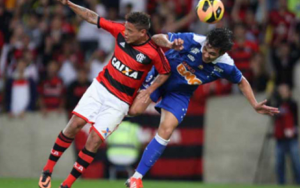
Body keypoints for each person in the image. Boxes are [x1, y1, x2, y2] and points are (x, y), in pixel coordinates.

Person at [38, 0, 173, 187]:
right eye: (125, 29)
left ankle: (66, 185)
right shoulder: (120, 31)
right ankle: (47, 170)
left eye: (130, 31)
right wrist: (69, 3)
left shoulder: (153, 53)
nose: (125, 33)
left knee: (93, 140)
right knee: (74, 125)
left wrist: (150, 90)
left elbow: (166, 72)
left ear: (143, 33)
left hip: (119, 102)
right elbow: (92, 17)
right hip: (100, 88)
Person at [125, 28, 280, 188]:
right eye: (206, 49)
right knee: (134, 111)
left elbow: (242, 81)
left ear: (221, 54)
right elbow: (157, 38)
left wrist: (254, 104)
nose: (206, 55)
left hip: (180, 92)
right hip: (162, 74)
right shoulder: (193, 40)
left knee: (167, 130)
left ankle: (136, 178)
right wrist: (170, 43)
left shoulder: (225, 65)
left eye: (212, 54)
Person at [269, 84, 300, 185]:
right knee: (279, 165)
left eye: (285, 90)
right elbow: (269, 106)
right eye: (281, 90)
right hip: (280, 139)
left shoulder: (292, 103)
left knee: (296, 164)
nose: (283, 92)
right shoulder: (276, 104)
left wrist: (285, 97)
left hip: (292, 139)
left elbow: (291, 106)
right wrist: (274, 93)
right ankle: (281, 184)